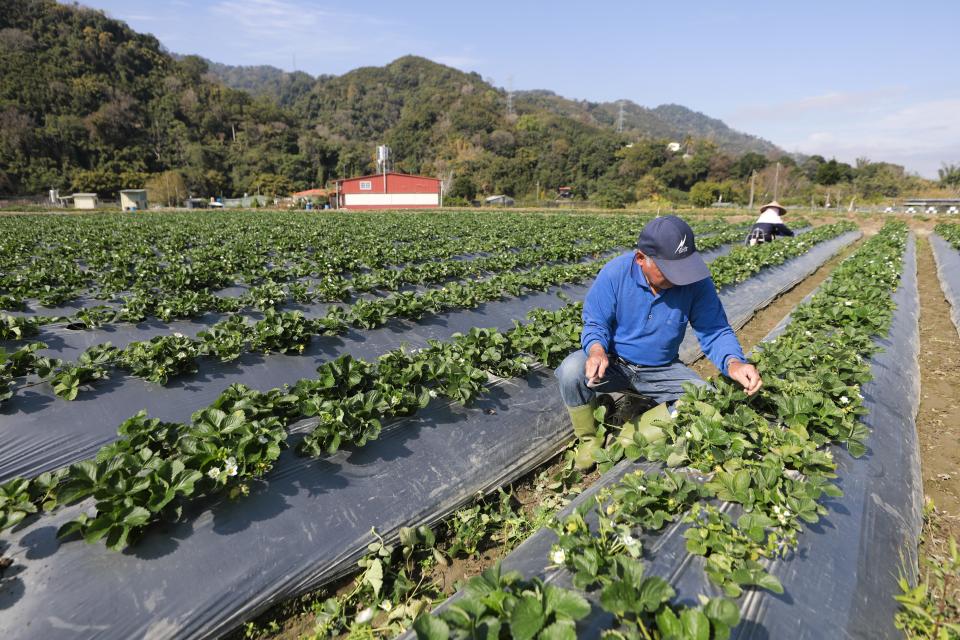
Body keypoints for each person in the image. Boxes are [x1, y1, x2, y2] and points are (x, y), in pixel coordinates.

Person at [555, 215, 763, 469]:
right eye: (670, 270)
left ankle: (621, 439)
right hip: (614, 363)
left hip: (660, 368)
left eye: (684, 268)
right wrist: (597, 351)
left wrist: (734, 363)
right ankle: (589, 440)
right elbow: (595, 323)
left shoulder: (695, 283)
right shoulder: (616, 273)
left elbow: (715, 330)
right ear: (641, 258)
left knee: (705, 402)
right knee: (570, 370)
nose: (679, 278)